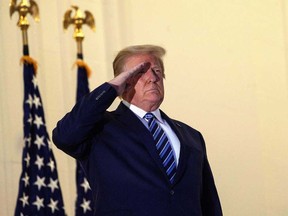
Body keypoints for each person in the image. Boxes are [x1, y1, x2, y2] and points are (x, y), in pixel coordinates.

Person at [52, 44, 222, 216]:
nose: (152, 78)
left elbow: (209, 203)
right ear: (123, 80)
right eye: (140, 72)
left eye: (156, 71)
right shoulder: (100, 128)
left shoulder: (191, 136)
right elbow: (64, 136)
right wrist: (110, 89)